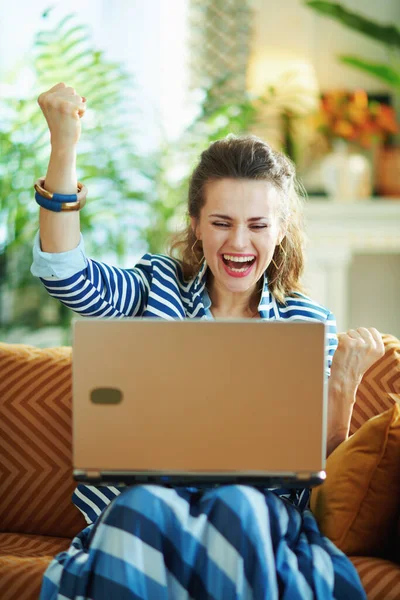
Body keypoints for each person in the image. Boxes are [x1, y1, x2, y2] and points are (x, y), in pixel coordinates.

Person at [31, 82, 383, 599]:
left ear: (281, 229)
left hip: (256, 513)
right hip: (147, 504)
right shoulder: (154, 288)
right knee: (145, 508)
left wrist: (345, 383)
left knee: (239, 506)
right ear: (196, 224)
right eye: (221, 223)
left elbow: (318, 467)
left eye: (257, 225)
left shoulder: (308, 322)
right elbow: (65, 272)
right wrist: (65, 143)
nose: (238, 243)